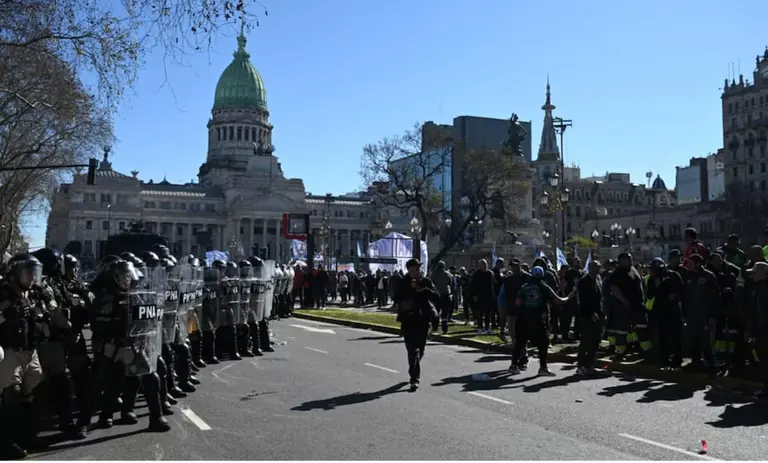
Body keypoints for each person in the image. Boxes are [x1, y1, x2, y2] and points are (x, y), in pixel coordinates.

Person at [509, 266, 574, 376]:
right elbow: (559, 301)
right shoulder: (544, 287)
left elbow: (517, 302)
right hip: (538, 320)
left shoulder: (524, 287)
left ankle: (513, 365)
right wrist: (570, 296)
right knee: (543, 344)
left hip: (523, 319)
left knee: (520, 343)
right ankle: (543, 367)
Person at [393, 258, 439, 392]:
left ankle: (413, 368)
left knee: (421, 350)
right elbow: (396, 298)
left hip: (423, 320)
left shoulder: (425, 281)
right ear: (409, 270)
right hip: (408, 321)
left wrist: (421, 290)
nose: (417, 271)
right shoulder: (402, 282)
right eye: (414, 269)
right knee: (412, 351)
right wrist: (408, 292)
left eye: (418, 269)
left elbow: (436, 296)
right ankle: (414, 379)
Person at [575, 260, 604, 375]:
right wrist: (591, 313)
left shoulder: (598, 279)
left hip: (598, 314)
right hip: (587, 316)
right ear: (590, 268)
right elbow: (583, 300)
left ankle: (590, 364)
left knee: (596, 340)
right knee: (586, 341)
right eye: (595, 267)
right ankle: (581, 365)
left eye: (598, 267)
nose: (597, 269)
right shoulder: (583, 281)